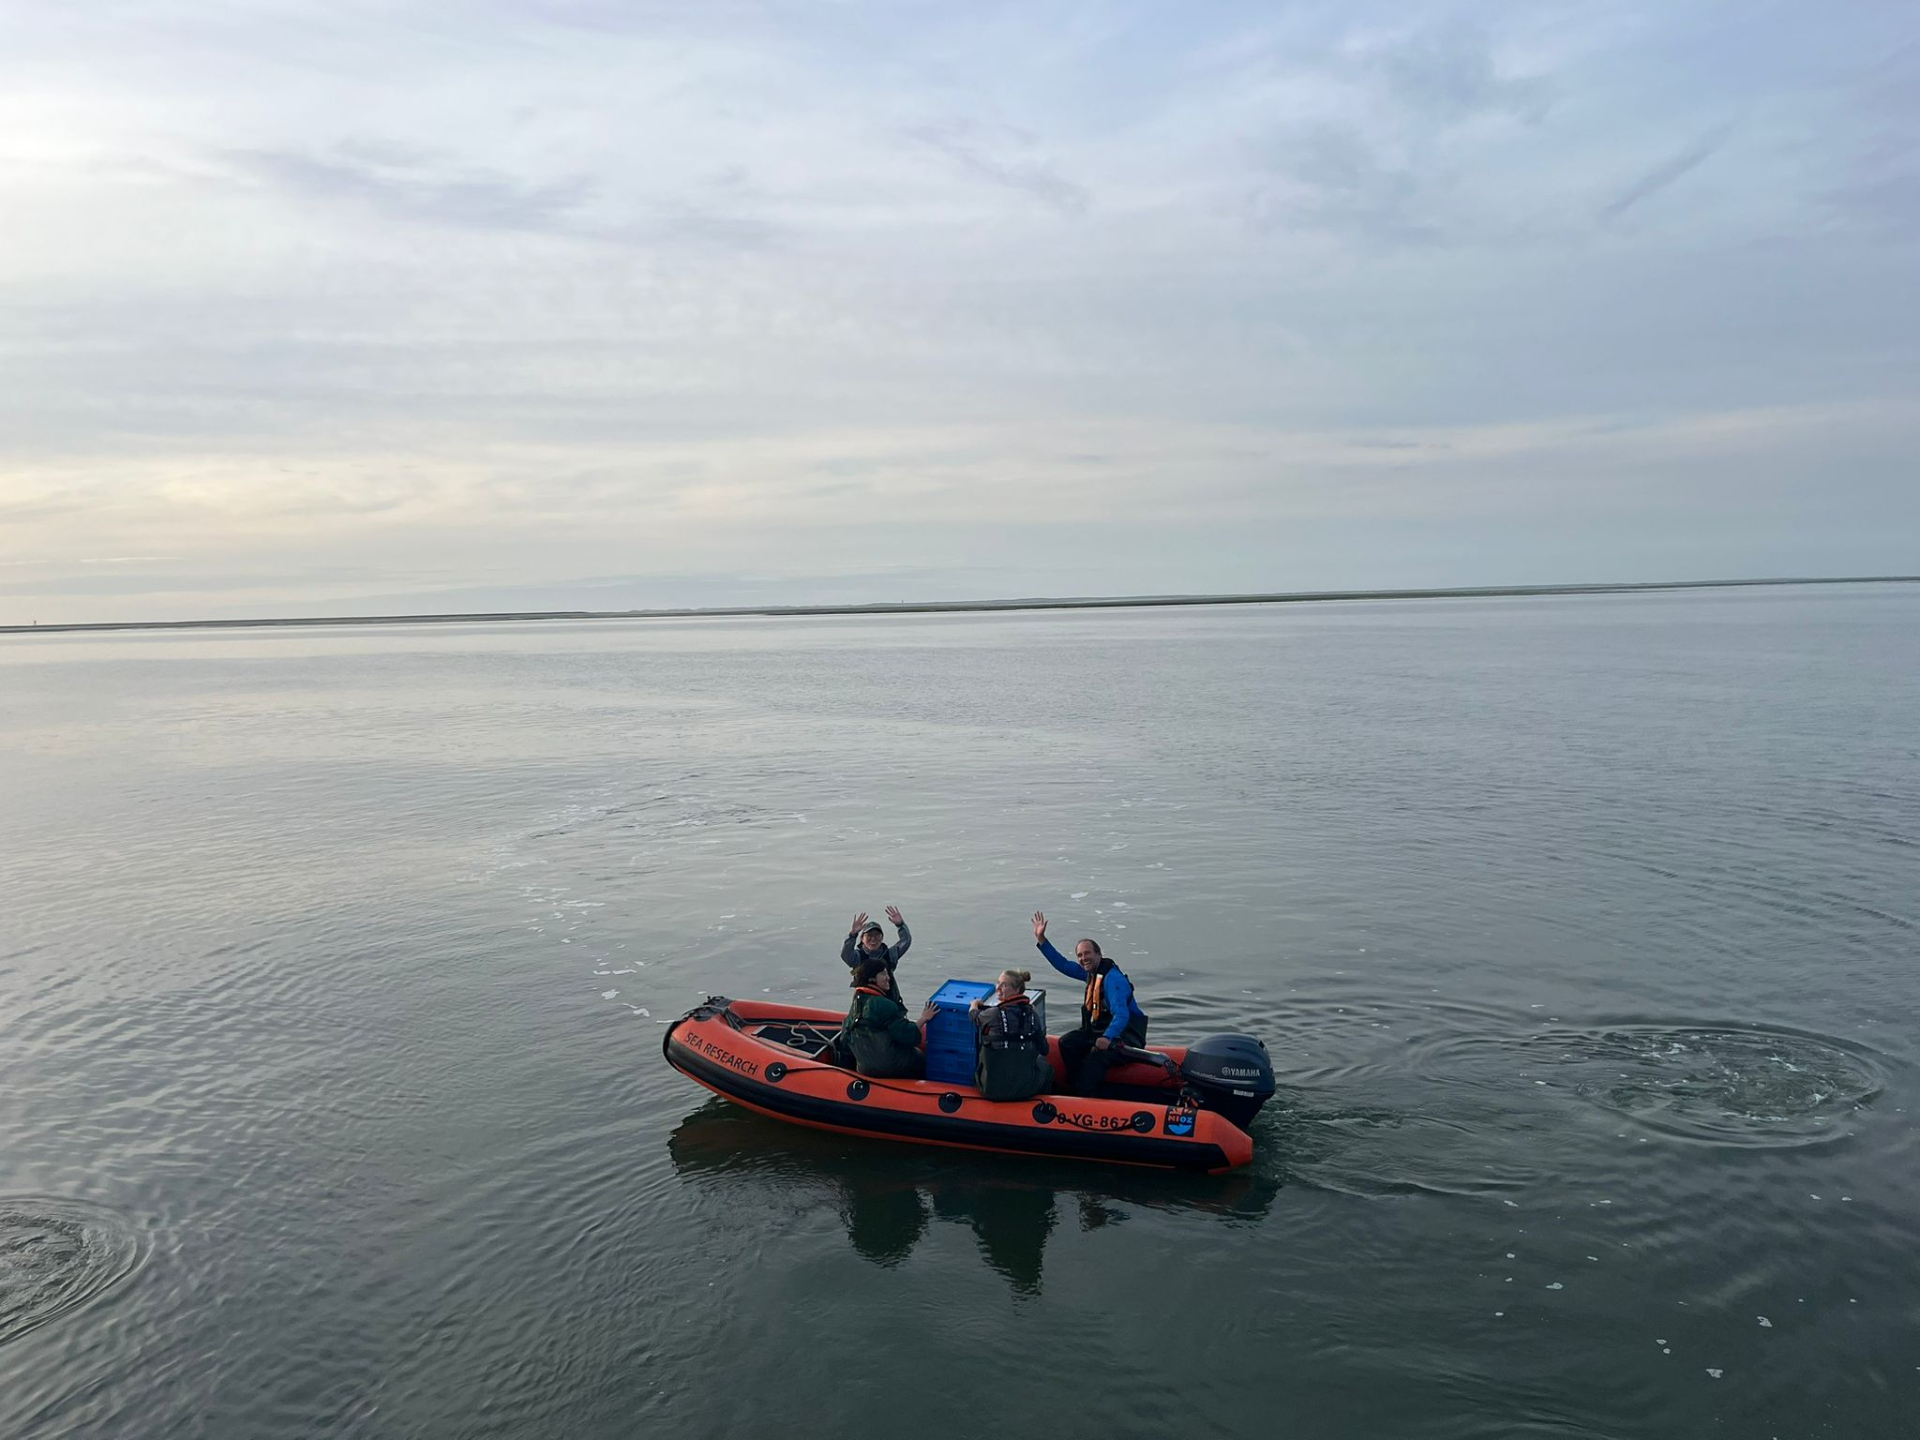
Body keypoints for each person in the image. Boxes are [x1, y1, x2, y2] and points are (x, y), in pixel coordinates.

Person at [1031, 910, 1148, 1096]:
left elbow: (1122, 1014)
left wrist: (1107, 1037)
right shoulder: (1090, 973)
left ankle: (1086, 1094)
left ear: (1099, 954)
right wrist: (1042, 939)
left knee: (1096, 1057)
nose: (1083, 958)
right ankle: (1075, 1084)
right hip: (1099, 1031)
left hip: (1126, 1036)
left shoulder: (1113, 980)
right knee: (1067, 1042)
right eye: (1079, 955)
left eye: (1087, 953)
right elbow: (1063, 965)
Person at [840, 955, 937, 1078]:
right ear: (872, 978)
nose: (888, 978)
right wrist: (924, 1018)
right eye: (883, 974)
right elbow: (907, 1035)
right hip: (890, 1065)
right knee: (920, 1056)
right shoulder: (884, 1004)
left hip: (864, 1068)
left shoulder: (857, 1002)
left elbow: (845, 1037)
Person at [968, 968, 1052, 1101]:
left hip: (991, 1089)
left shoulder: (992, 1014)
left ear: (1016, 990)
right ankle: (1043, 1103)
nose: (998, 988)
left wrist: (974, 1005)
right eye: (998, 983)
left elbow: (974, 1016)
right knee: (1045, 1065)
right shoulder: (1033, 1015)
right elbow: (1045, 1050)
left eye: (1004, 985)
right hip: (1026, 1090)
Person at [840, 906, 911, 1003]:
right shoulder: (857, 957)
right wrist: (852, 935)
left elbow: (906, 941)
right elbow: (845, 954)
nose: (873, 939)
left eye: (877, 935)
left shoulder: (890, 955)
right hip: (865, 1003)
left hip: (889, 1001)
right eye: (869, 935)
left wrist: (900, 925)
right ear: (862, 938)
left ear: (882, 937)